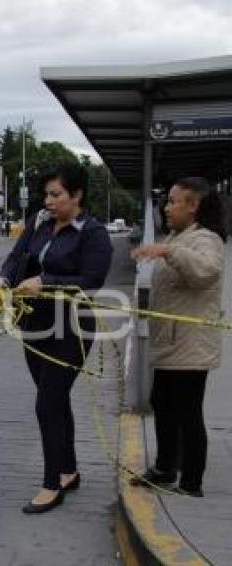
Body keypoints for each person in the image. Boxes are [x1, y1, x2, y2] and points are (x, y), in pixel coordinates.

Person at [0, 163, 113, 513]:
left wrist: (46, 282)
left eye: (56, 195)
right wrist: (4, 280)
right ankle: (69, 470)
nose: (48, 201)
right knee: (56, 399)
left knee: (47, 403)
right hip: (34, 325)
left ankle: (51, 485)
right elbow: (16, 257)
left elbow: (91, 281)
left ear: (76, 195)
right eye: (46, 194)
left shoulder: (93, 233)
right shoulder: (38, 223)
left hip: (72, 329)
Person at [130, 177, 226, 497]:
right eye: (167, 201)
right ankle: (164, 468)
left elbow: (205, 271)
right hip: (173, 343)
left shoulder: (206, 239)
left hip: (191, 344)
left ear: (193, 204)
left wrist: (168, 250)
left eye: (173, 201)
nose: (167, 207)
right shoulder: (181, 235)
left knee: (187, 412)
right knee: (163, 403)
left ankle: (191, 482)